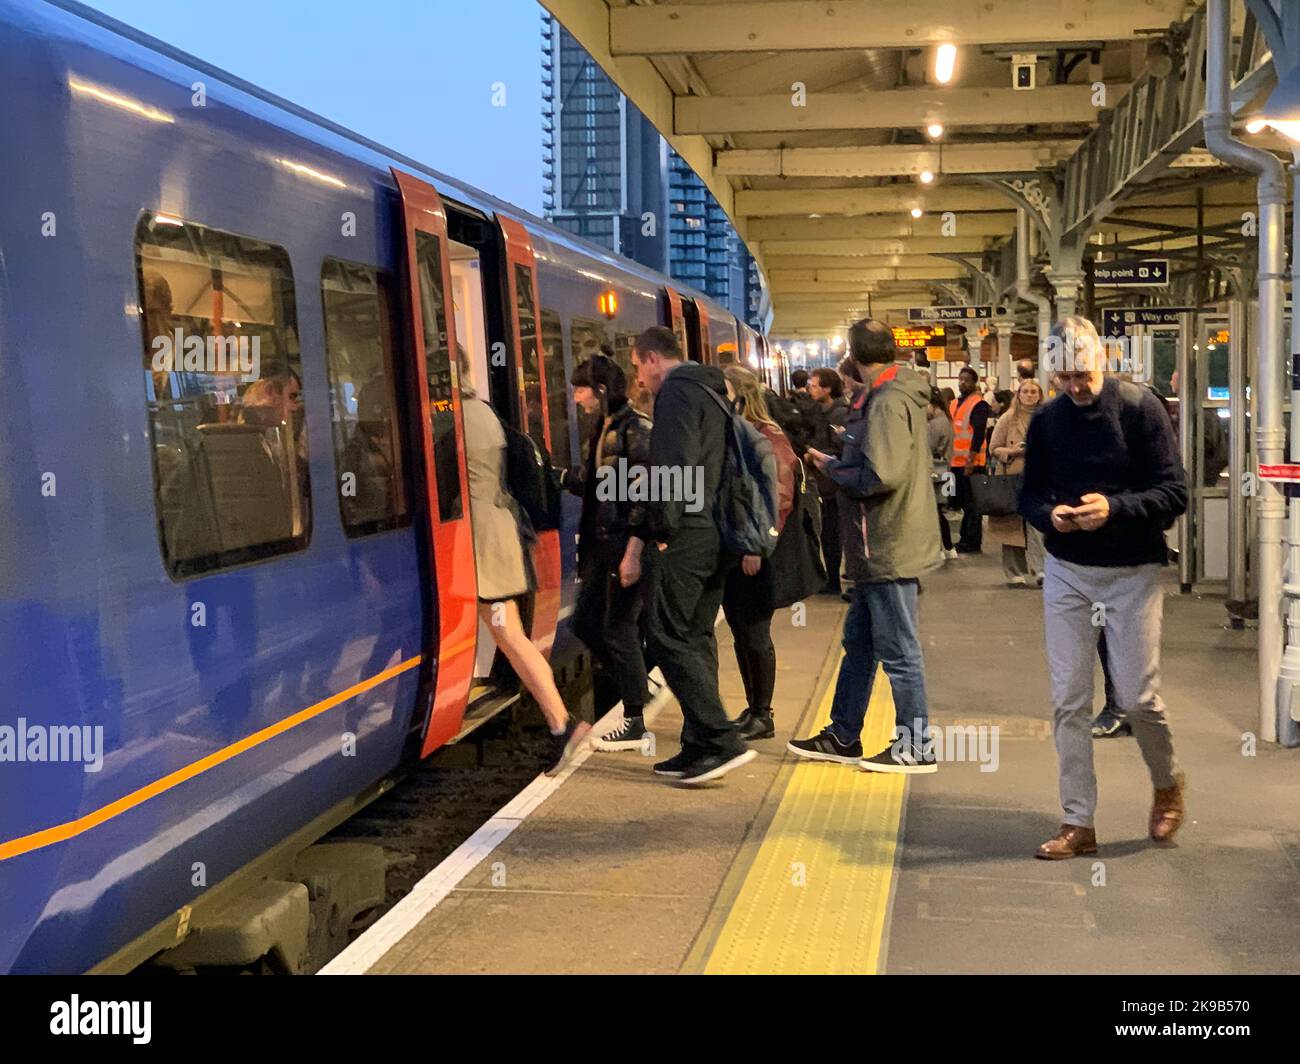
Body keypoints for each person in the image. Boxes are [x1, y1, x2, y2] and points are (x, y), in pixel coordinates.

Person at [1021, 315, 1189, 859]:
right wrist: (1054, 516)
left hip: (1132, 571)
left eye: (1083, 373)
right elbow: (1029, 496)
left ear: (1105, 360)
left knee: (1139, 699)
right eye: (1064, 377)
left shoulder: (1142, 409)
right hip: (1068, 569)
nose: (1075, 386)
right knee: (1069, 699)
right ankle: (1078, 822)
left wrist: (1114, 508)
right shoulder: (1047, 420)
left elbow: (1174, 492)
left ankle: (1167, 783)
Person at [790, 319, 943, 773]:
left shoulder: (887, 401)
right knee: (859, 644)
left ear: (854, 356)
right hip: (874, 544)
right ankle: (843, 734)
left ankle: (915, 746)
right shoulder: (891, 395)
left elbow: (881, 475)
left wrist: (832, 470)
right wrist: (838, 459)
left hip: (887, 543)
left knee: (899, 651)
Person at [631, 326, 757, 784]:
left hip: (688, 533)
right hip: (718, 530)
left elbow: (674, 465)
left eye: (637, 368)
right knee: (696, 634)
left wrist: (661, 530)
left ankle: (721, 740)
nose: (640, 379)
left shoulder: (678, 395)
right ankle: (698, 745)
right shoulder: (714, 390)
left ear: (650, 358)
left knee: (666, 635)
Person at [459, 349, 590, 777]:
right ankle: (561, 724)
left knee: (510, 635)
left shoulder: (454, 418)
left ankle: (562, 724)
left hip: (485, 544)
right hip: (498, 534)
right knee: (509, 633)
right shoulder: (482, 411)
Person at [560, 353, 656, 752]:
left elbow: (643, 495)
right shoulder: (606, 428)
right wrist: (566, 479)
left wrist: (633, 550)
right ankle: (637, 682)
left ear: (600, 391)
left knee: (617, 628)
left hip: (621, 545)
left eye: (581, 389)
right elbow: (604, 484)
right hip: (603, 545)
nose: (576, 398)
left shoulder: (635, 430)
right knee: (585, 622)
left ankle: (634, 719)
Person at [720, 366, 797, 741]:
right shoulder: (741, 433)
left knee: (754, 633)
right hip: (738, 549)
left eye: (725, 390)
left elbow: (777, 499)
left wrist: (755, 545)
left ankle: (763, 714)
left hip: (758, 552)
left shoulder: (768, 437)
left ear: (740, 394)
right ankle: (753, 708)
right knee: (740, 630)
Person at [987, 377, 1045, 587]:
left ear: (1040, 395)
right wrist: (1012, 451)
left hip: (1039, 477)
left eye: (1033, 392)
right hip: (1012, 476)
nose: (1029, 395)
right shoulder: (1007, 419)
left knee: (1038, 524)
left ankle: (1040, 570)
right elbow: (994, 448)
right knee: (1012, 526)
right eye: (1025, 391)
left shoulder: (1047, 418)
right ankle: (1014, 572)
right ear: (1018, 395)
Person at [806, 368, 849, 593]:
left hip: (835, 483)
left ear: (827, 388)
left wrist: (815, 455)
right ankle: (830, 578)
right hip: (826, 482)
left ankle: (832, 581)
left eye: (814, 386)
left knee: (833, 533)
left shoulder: (839, 414)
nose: (810, 389)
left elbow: (842, 448)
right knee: (829, 532)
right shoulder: (822, 412)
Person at [950, 365, 992, 553]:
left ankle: (972, 541)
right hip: (955, 463)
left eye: (966, 380)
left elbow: (978, 434)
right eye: (960, 379)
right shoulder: (954, 403)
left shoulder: (979, 405)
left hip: (972, 464)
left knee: (972, 504)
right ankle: (964, 538)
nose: (962, 382)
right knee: (962, 502)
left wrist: (970, 460)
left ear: (974, 383)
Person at [926, 386, 957, 559]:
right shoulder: (947, 421)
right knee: (940, 510)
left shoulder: (935, 424)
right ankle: (947, 546)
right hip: (946, 471)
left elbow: (927, 447)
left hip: (936, 471)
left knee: (935, 512)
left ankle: (942, 547)